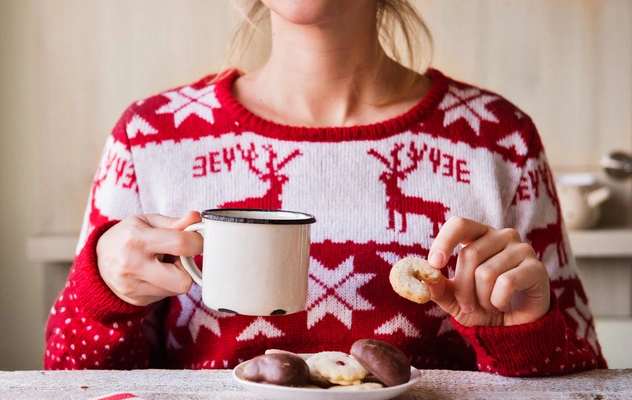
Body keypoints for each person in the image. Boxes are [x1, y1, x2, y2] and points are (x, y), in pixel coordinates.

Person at [44, 0, 607, 375]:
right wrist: (101, 296)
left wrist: (523, 334)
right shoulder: (150, 138)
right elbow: (72, 393)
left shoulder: (498, 138)